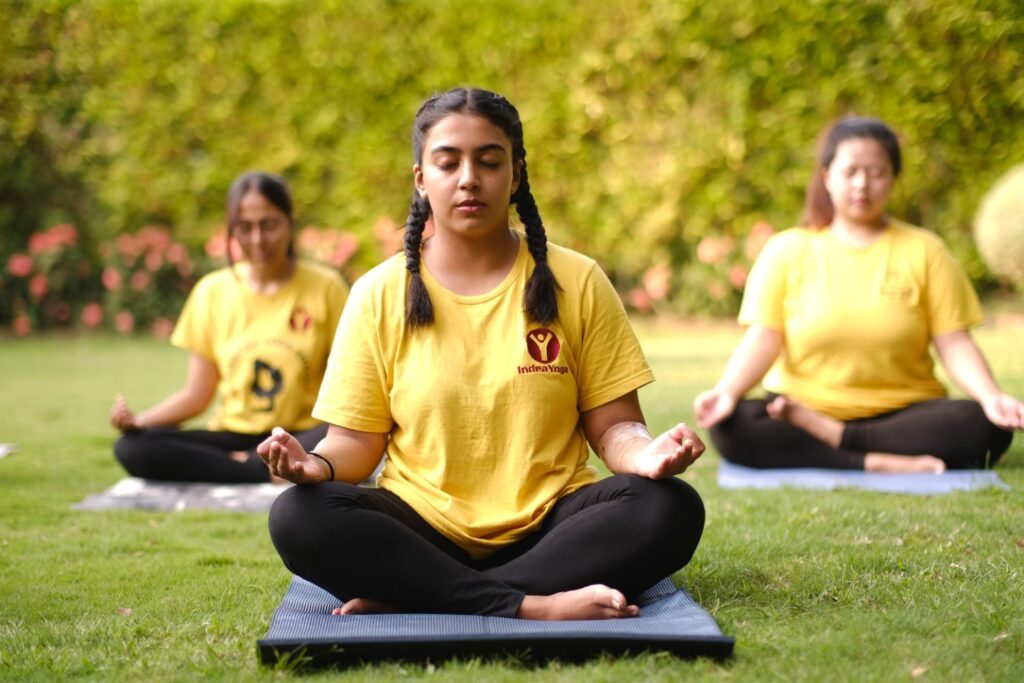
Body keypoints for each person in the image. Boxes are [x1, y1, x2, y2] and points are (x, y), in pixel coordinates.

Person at [259, 87, 706, 620]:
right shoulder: (378, 293)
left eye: (489, 161)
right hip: (421, 530)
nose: (469, 178)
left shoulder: (578, 280)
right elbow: (356, 443)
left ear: (515, 175)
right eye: (448, 163)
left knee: (668, 506)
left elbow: (615, 428)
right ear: (422, 179)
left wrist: (645, 455)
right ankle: (532, 605)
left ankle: (426, 598)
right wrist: (315, 466)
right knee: (297, 517)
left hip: (553, 530)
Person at [695, 117, 1022, 473]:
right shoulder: (786, 250)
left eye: (876, 172)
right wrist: (726, 392)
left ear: (893, 177)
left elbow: (954, 343)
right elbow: (763, 338)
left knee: (985, 425)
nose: (862, 184)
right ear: (827, 177)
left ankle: (842, 444)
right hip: (801, 408)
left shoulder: (926, 251)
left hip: (903, 413)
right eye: (850, 171)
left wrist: (991, 397)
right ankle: (876, 460)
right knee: (732, 424)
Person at [110, 171, 349, 483]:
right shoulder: (212, 291)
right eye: (244, 228)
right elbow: (197, 394)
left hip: (303, 434)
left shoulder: (326, 288)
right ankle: (260, 467)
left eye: (269, 225)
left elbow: (347, 388)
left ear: (289, 224)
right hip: (233, 435)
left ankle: (251, 465)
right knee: (133, 448)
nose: (257, 239)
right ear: (231, 230)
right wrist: (140, 422)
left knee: (346, 437)